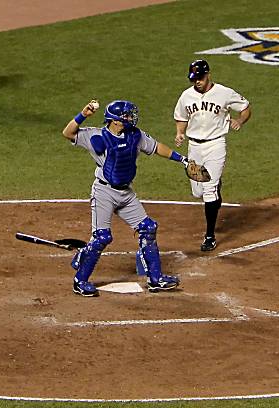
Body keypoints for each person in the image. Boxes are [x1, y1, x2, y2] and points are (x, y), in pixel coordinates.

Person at [62, 99, 190, 297]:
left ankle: (155, 279)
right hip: (104, 192)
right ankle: (80, 281)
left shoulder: (135, 136)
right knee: (102, 237)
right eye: (127, 115)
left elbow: (157, 147)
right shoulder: (96, 136)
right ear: (115, 120)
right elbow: (68, 133)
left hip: (126, 193)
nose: (131, 118)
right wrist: (83, 114)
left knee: (148, 228)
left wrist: (182, 160)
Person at [174, 59, 251, 251]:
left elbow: (245, 107)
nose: (197, 82)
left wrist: (240, 121)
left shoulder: (224, 93)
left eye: (199, 78)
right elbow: (181, 116)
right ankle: (216, 188)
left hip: (216, 145)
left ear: (208, 74)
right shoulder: (186, 96)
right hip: (194, 147)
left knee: (208, 191)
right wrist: (180, 133)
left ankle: (209, 236)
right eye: (194, 78)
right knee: (198, 192)